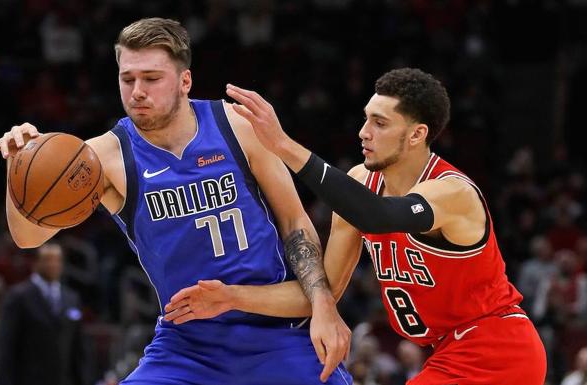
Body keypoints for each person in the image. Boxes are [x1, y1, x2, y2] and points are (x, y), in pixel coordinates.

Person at [0, 18, 351, 385]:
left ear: (184, 81)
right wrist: (19, 164)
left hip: (278, 331)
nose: (137, 92)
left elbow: (295, 223)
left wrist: (322, 305)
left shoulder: (237, 124)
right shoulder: (106, 156)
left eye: (151, 78)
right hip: (187, 345)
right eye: (127, 79)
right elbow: (28, 237)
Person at [165, 68, 547, 384]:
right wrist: (231, 296)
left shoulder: (452, 193)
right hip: (448, 351)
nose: (364, 131)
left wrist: (283, 146)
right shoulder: (362, 182)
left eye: (379, 123)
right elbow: (320, 293)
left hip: (498, 348)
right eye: (366, 118)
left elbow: (377, 216)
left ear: (416, 135)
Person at [0, 242, 89, 385]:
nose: (53, 264)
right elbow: (6, 346)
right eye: (48, 260)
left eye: (57, 260)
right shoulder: (18, 297)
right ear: (36, 263)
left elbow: (78, 348)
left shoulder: (72, 298)